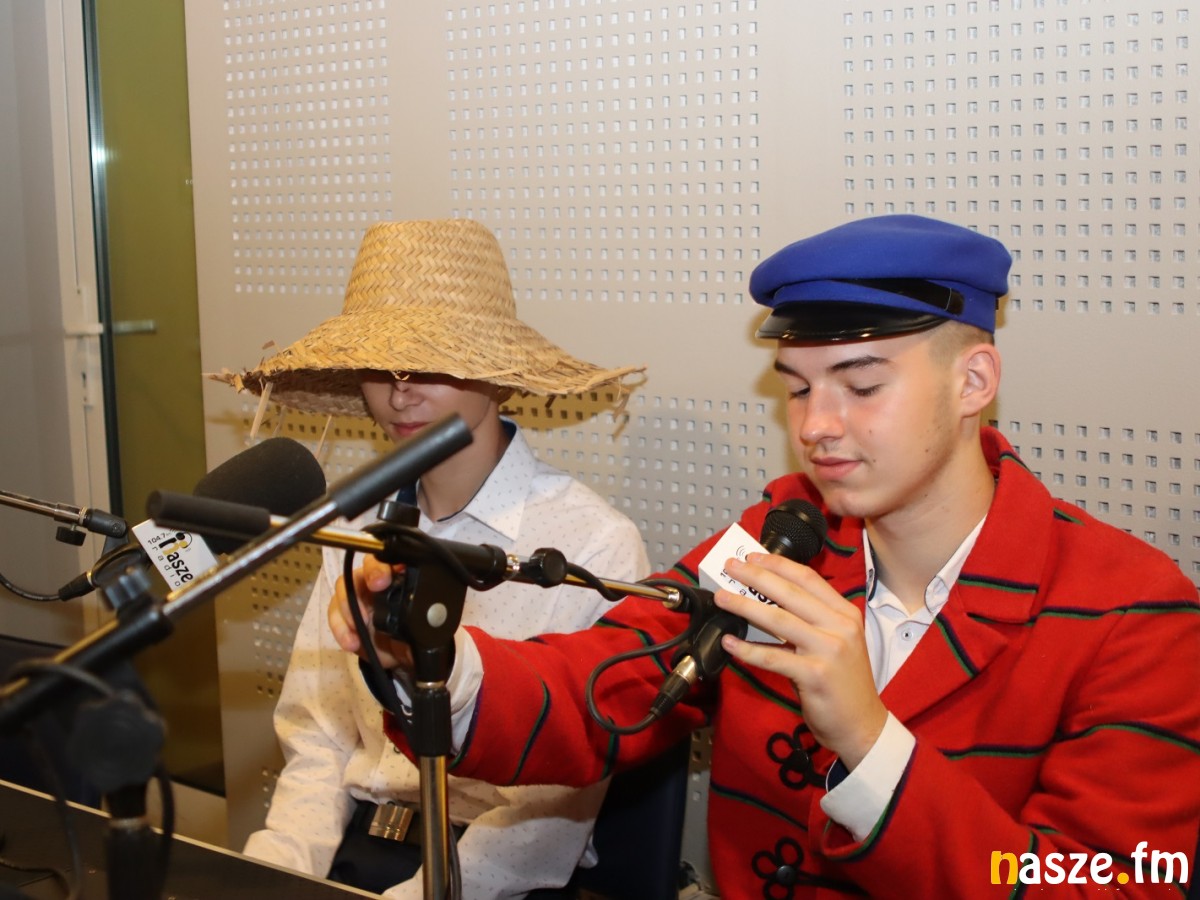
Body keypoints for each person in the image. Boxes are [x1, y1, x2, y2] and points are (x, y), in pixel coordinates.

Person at [332, 215, 1200, 898]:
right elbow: (606, 680)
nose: (816, 425)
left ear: (973, 381)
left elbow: (1110, 886)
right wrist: (431, 653)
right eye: (798, 389)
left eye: (862, 385)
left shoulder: (1134, 615)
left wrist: (869, 742)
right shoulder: (781, 539)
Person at [220, 218, 651, 899]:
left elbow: (548, 809)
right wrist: (274, 875)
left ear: (496, 374)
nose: (401, 393)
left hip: (490, 879)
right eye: (382, 367)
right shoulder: (355, 524)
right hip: (359, 853)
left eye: (430, 364)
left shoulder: (590, 543)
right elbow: (318, 733)